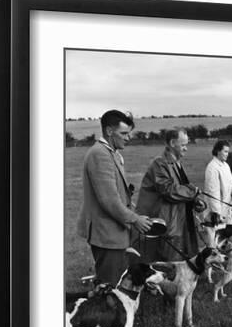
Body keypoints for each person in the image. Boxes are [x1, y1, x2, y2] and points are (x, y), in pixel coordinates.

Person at [76, 110, 152, 285]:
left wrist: (135, 212)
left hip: (113, 229)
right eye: (123, 133)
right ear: (109, 131)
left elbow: (118, 193)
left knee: (117, 277)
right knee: (111, 283)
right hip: (106, 231)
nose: (128, 138)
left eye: (129, 133)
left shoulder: (112, 153)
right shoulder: (100, 154)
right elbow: (109, 200)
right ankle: (105, 308)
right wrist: (135, 220)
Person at [135, 128, 200, 261]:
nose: (186, 149)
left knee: (178, 263)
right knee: (166, 266)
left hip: (178, 222)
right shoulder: (160, 164)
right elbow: (168, 190)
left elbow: (181, 190)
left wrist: (196, 201)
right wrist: (192, 191)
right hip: (166, 225)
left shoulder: (176, 163)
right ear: (172, 143)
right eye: (183, 145)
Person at [203, 140, 232, 232]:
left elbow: (231, 185)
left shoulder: (226, 165)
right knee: (216, 241)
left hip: (227, 209)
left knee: (228, 241)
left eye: (228, 152)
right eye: (225, 151)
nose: (227, 154)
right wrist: (217, 213)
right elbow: (213, 193)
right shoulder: (212, 167)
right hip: (216, 213)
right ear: (218, 151)